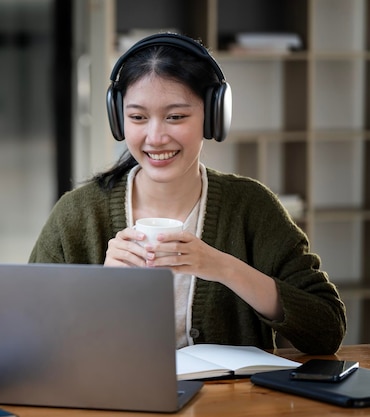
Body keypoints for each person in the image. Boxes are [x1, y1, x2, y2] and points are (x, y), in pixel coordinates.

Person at [28, 32, 346, 355]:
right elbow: (28, 333)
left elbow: (327, 328)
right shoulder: (77, 215)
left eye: (176, 117)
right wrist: (101, 289)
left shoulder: (252, 208)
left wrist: (224, 268)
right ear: (118, 119)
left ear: (213, 116)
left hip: (228, 405)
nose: (155, 137)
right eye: (138, 117)